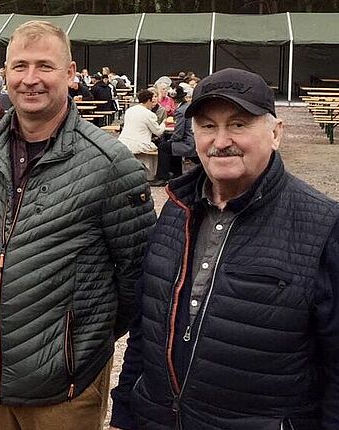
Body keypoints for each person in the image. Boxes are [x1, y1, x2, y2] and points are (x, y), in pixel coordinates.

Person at [109, 67, 339, 430]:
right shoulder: (175, 209)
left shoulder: (323, 225)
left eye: (239, 124)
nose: (220, 141)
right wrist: (124, 412)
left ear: (275, 133)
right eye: (207, 126)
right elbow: (147, 324)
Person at [0, 20, 155, 430]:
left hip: (64, 390)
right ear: (5, 74)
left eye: (45, 67)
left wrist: (79, 343)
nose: (31, 80)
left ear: (70, 74)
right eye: (19, 67)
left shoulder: (111, 165)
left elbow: (138, 278)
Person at [119, 89, 165, 155]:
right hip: (140, 144)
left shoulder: (129, 110)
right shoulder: (149, 114)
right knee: (157, 149)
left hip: (123, 141)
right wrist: (164, 123)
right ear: (149, 100)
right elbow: (158, 132)